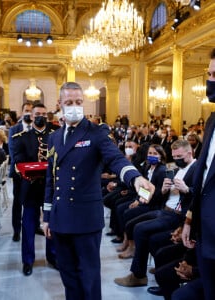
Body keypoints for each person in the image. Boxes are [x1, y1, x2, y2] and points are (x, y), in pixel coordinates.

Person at [42, 82, 154, 300]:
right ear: (59, 105)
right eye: (68, 103)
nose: (74, 106)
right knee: (68, 274)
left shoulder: (96, 132)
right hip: (60, 216)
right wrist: (47, 216)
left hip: (85, 218)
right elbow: (51, 179)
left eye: (78, 102)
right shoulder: (54, 137)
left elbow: (116, 158)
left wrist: (135, 177)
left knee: (89, 276)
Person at [114, 139, 196, 287]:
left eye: (180, 157)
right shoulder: (173, 170)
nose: (177, 160)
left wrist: (187, 189)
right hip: (164, 208)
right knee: (136, 223)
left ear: (189, 153)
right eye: (175, 157)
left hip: (177, 215)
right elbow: (157, 193)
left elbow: (200, 195)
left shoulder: (196, 169)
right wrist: (164, 190)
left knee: (140, 228)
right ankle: (153, 269)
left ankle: (138, 274)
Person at [181, 48, 215, 300]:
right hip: (205, 234)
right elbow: (203, 177)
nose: (209, 81)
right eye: (209, 74)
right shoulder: (212, 120)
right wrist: (190, 220)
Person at [13, 103, 56, 276]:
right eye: (38, 113)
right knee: (29, 225)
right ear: (31, 116)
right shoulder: (21, 137)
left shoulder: (55, 136)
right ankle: (28, 261)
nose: (41, 117)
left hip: (51, 188)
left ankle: (52, 257)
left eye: (44, 114)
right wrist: (31, 171)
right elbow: (17, 162)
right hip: (30, 187)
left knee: (51, 224)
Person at [8, 102, 33, 242]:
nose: (28, 113)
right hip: (18, 172)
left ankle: (34, 226)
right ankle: (16, 230)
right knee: (17, 202)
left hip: (35, 173)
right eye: (26, 110)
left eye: (31, 111)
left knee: (33, 201)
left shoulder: (37, 129)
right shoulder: (14, 129)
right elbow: (13, 152)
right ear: (22, 112)